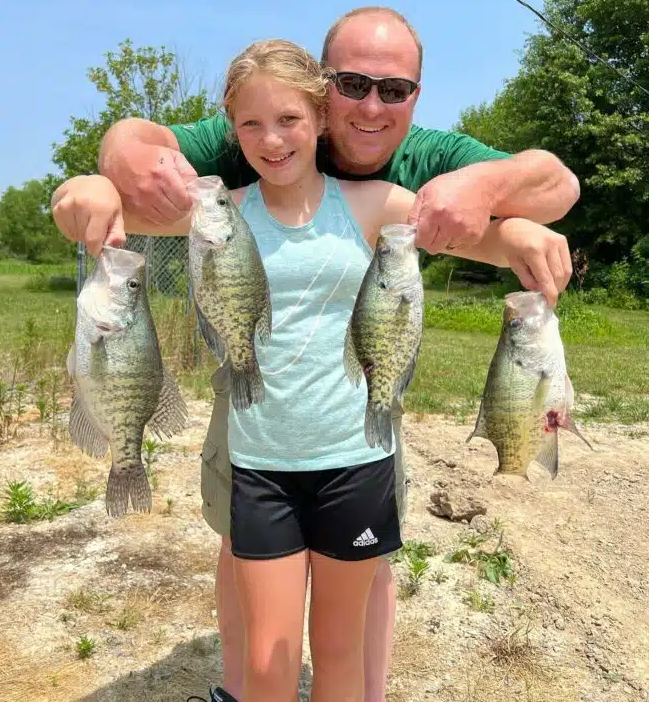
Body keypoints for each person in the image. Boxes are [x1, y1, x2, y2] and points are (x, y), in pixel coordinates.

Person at [53, 38, 574, 702]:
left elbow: (471, 233)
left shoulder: (372, 202)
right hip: (260, 469)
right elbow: (108, 204)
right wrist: (90, 185)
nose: (272, 140)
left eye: (290, 122)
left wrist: (520, 235)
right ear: (231, 127)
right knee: (268, 666)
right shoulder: (220, 209)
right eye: (251, 125)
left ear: (321, 121)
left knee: (338, 656)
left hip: (354, 464)